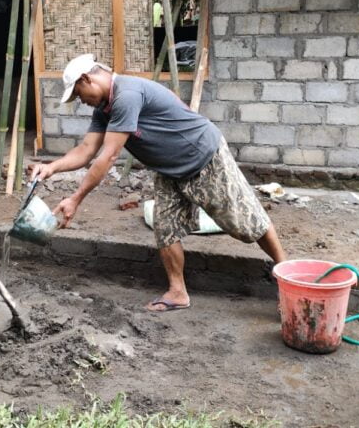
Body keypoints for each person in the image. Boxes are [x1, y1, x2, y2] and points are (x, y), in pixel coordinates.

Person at [29, 54, 288, 312]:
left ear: (87, 79)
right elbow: (86, 150)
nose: (81, 102)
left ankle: (288, 278)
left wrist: (75, 199)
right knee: (166, 228)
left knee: (247, 221)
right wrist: (51, 167)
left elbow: (108, 156)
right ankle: (177, 292)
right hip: (169, 168)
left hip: (202, 156)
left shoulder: (126, 95)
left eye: (78, 94)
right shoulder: (103, 109)